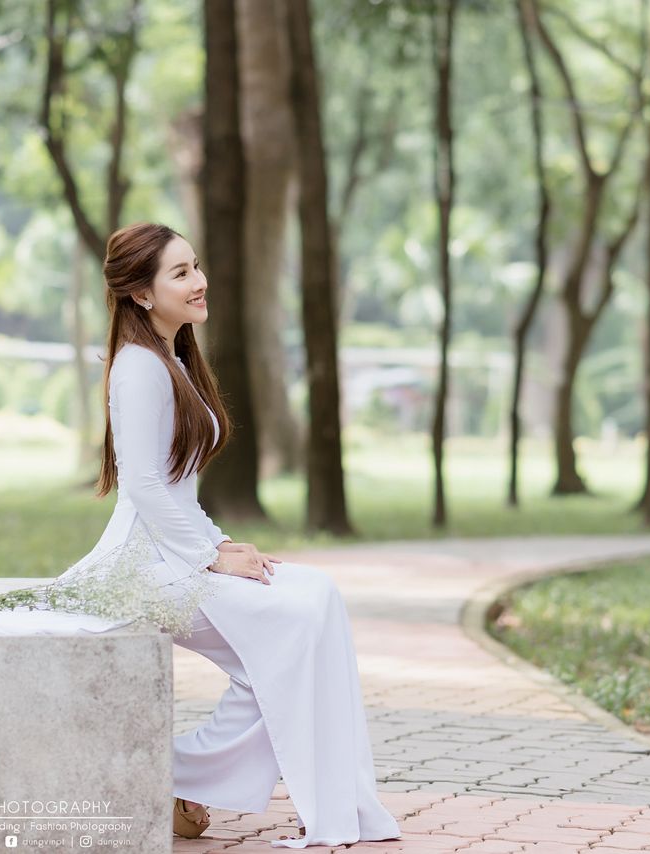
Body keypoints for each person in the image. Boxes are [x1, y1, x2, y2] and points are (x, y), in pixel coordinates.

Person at [91, 222, 403, 849]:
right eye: (180, 273)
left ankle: (205, 780)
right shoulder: (138, 369)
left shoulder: (171, 359)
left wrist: (223, 547)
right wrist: (210, 557)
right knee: (288, 635)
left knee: (316, 600)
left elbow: (177, 491)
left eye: (196, 266)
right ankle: (175, 775)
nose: (200, 281)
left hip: (177, 553)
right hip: (143, 567)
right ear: (142, 294)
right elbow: (144, 487)